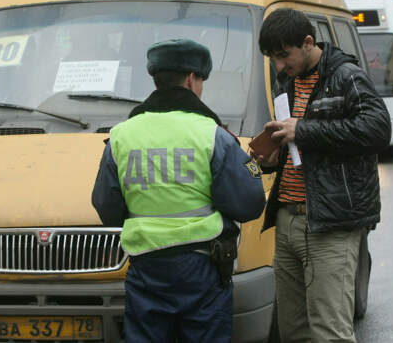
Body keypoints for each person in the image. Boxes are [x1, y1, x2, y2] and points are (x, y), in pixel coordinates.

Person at [92, 38, 266, 342]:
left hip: (145, 267)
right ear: (191, 79)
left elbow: (106, 208)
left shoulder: (121, 136)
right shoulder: (211, 135)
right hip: (202, 267)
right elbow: (249, 204)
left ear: (156, 79)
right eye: (202, 81)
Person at [251, 8, 391, 343]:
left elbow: (378, 129)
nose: (279, 65)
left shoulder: (347, 76)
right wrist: (273, 157)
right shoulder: (286, 79)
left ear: (308, 42)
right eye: (273, 57)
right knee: (294, 331)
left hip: (331, 224)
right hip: (287, 219)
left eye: (284, 55)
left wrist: (304, 131)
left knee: (330, 332)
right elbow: (298, 145)